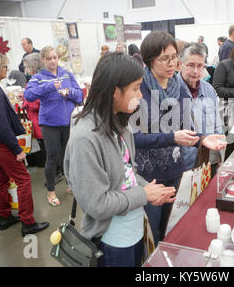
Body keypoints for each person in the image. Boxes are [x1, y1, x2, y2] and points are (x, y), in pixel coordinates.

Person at [64, 52, 176, 267]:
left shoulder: (121, 124)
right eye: (135, 88)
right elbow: (97, 204)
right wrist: (143, 194)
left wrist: (151, 191)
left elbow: (128, 173)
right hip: (111, 240)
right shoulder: (84, 138)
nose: (140, 95)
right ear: (114, 91)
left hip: (133, 230)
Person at [133, 31, 226, 243]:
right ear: (149, 60)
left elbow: (185, 127)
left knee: (174, 227)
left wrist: (202, 138)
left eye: (174, 57)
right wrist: (172, 137)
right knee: (153, 233)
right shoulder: (140, 90)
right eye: (164, 58)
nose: (171, 63)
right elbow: (135, 139)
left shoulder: (178, 87)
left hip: (176, 168)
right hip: (149, 176)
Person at [0, 52, 49, 237]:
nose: (7, 70)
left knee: (0, 179)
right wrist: (17, 150)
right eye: (4, 66)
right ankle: (28, 222)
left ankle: (4, 216)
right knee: (23, 179)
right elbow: (1, 125)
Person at [24, 46, 83, 207]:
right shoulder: (38, 77)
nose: (52, 61)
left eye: (55, 57)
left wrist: (68, 92)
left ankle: (71, 184)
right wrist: (50, 86)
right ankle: (51, 191)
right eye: (49, 58)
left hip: (68, 123)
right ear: (43, 60)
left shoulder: (66, 74)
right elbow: (28, 95)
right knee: (52, 157)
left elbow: (80, 94)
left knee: (68, 156)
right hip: (50, 124)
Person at [176, 43, 223, 172]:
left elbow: (217, 126)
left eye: (200, 66)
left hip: (207, 160)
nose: (195, 71)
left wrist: (218, 157)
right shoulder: (171, 90)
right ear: (181, 64)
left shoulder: (209, 89)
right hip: (182, 165)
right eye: (191, 65)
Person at [22, 53, 47, 166]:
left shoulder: (36, 80)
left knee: (46, 148)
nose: (25, 70)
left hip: (40, 120)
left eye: (26, 67)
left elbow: (37, 103)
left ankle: (55, 171)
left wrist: (26, 102)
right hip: (42, 120)